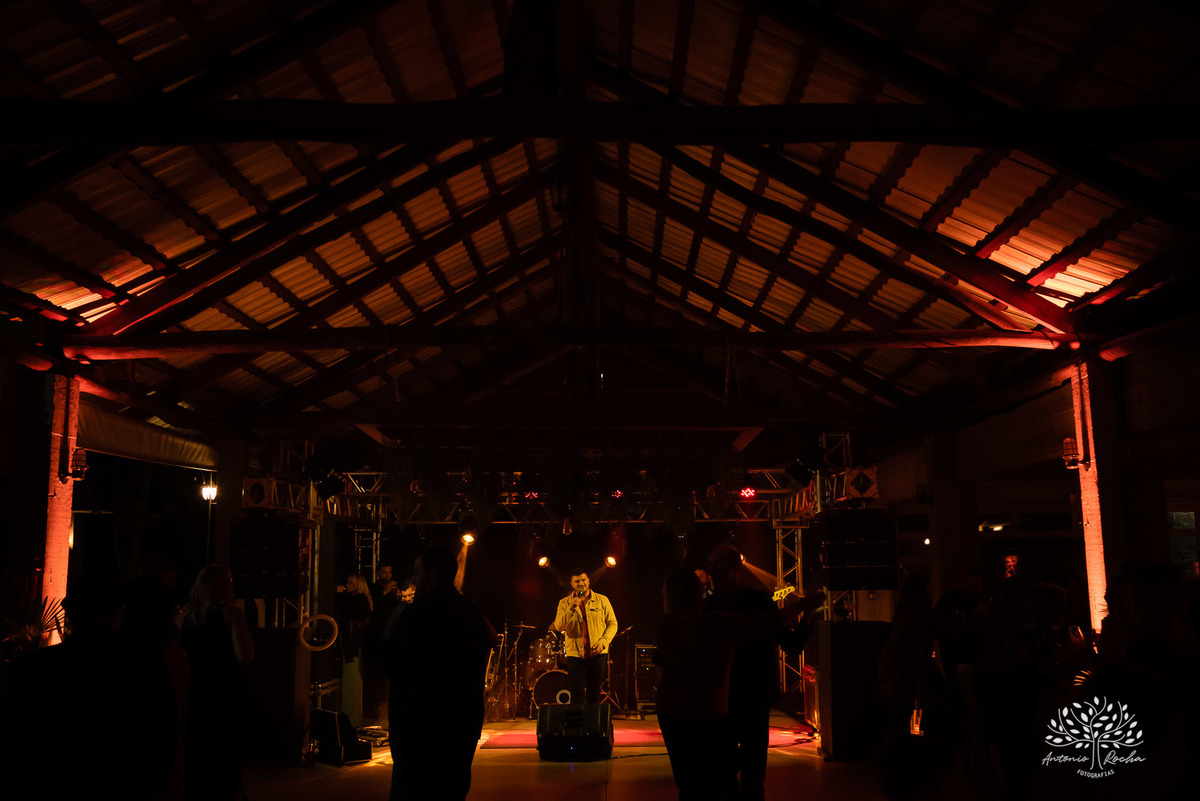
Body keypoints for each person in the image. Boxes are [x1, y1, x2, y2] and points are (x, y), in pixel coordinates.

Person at [656, 566, 823, 801]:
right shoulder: (716, 622)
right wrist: (804, 606)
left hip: (672, 713)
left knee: (689, 784)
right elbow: (769, 622)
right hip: (708, 715)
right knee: (725, 783)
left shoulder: (667, 625)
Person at [705, 545, 818, 801]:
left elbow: (790, 644)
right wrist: (806, 613)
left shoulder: (711, 605)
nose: (711, 568)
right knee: (746, 771)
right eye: (711, 563)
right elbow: (791, 644)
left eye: (716, 563)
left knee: (741, 773)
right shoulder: (753, 602)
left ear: (733, 568)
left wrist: (807, 614)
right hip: (742, 695)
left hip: (736, 695)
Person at [386, 546, 498, 801]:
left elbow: (389, 662)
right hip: (463, 720)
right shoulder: (467, 609)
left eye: (417, 572)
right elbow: (491, 637)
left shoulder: (417, 613)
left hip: (421, 724)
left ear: (432, 573)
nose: (414, 579)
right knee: (453, 789)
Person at [179, 565, 254, 801]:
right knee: (225, 761)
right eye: (228, 581)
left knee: (197, 761)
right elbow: (245, 655)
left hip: (194, 694)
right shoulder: (231, 614)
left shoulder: (185, 618)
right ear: (218, 587)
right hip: (224, 695)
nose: (232, 585)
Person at [554, 568, 618, 705]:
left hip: (597, 654)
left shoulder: (602, 600)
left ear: (588, 581)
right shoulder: (564, 603)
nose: (581, 583)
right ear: (571, 584)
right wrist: (570, 608)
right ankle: (578, 726)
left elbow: (613, 624)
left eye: (583, 580)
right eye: (577, 581)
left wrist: (603, 642)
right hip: (575, 656)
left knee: (594, 694)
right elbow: (558, 626)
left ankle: (592, 726)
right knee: (577, 695)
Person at [336, 572, 373, 727]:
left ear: (357, 585)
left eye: (350, 583)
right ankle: (352, 717)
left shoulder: (358, 601)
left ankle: (352, 719)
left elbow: (347, 614)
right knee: (352, 684)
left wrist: (341, 594)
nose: (347, 585)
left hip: (353, 648)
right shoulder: (361, 600)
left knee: (352, 684)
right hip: (353, 647)